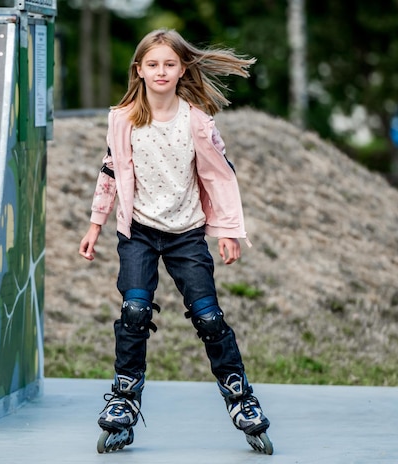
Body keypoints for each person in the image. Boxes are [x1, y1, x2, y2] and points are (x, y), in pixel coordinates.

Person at [79, 28, 272, 453]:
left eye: (169, 63)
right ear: (140, 70)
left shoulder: (198, 122)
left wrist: (228, 230)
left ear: (181, 68)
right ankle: (124, 400)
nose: (161, 71)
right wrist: (95, 224)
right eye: (153, 64)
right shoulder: (123, 119)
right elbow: (110, 172)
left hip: (186, 234)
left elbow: (221, 176)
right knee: (134, 309)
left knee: (208, 316)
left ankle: (241, 398)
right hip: (139, 233)